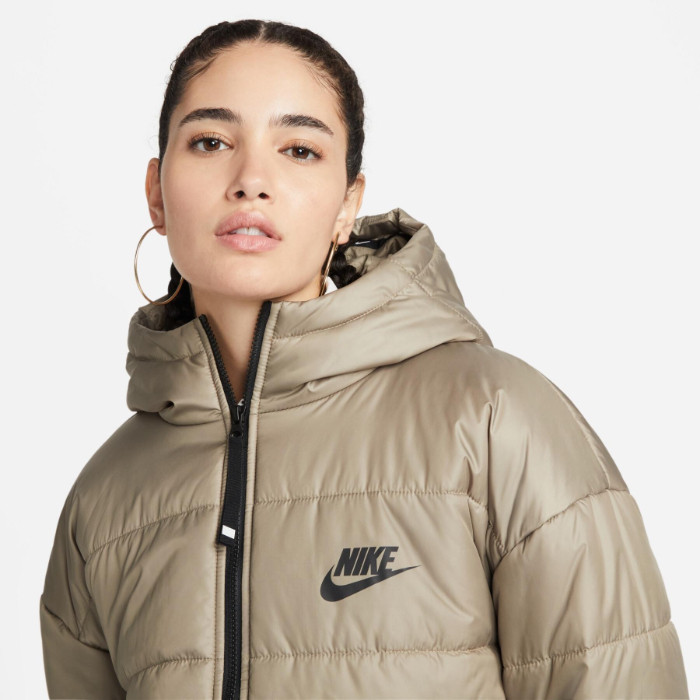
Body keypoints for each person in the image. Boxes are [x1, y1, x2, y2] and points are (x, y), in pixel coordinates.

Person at [39, 18, 689, 700]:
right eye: (211, 142)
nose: (251, 180)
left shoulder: (493, 421)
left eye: (299, 149)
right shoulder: (104, 503)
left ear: (347, 205)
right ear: (156, 191)